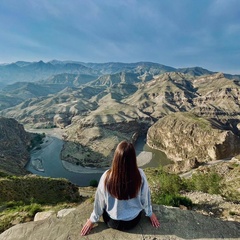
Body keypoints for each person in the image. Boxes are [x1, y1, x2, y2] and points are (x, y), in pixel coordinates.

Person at [81, 140, 160, 236]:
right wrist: (150, 213)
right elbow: (145, 198)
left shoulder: (106, 177)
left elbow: (99, 201)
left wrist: (92, 220)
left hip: (112, 222)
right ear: (133, 158)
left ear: (116, 158)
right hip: (133, 221)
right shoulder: (140, 175)